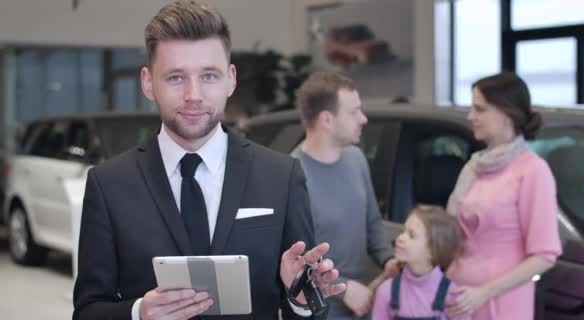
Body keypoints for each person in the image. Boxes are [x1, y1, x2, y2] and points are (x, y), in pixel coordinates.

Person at [72, 1, 345, 319]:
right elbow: (87, 311)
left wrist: (299, 301)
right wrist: (138, 313)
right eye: (175, 77)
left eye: (209, 76)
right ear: (148, 82)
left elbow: (306, 302)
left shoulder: (281, 177)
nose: (194, 94)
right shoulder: (109, 185)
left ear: (230, 79)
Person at [445, 72, 562, 320]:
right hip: (459, 299)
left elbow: (544, 256)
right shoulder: (474, 167)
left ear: (507, 113)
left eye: (480, 109)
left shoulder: (532, 170)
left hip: (502, 304)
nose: (471, 116)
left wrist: (484, 292)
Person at [292, 71, 400, 319]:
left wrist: (388, 260)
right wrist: (344, 289)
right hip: (318, 308)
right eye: (353, 112)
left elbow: (373, 224)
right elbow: (295, 258)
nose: (363, 119)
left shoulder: (356, 158)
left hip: (362, 304)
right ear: (327, 120)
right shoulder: (292, 175)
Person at [371, 205, 469, 320]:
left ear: (433, 250)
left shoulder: (452, 295)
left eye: (412, 235)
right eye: (403, 231)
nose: (400, 238)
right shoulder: (386, 292)